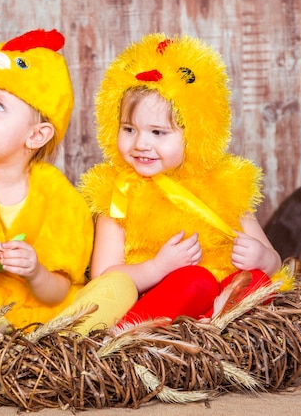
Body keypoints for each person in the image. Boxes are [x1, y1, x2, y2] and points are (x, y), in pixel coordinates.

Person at [0, 29, 137, 334]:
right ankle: (11, 347)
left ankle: (58, 344)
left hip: (50, 316)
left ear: (36, 135)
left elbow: (58, 290)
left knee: (121, 286)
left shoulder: (61, 199)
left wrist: (36, 273)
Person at [79, 33, 288, 325]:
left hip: (218, 306)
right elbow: (103, 279)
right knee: (195, 281)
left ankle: (213, 325)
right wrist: (157, 267)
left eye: (157, 132)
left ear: (195, 135)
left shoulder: (224, 185)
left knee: (256, 280)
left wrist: (262, 257)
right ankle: (131, 334)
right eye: (129, 129)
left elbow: (276, 263)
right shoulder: (118, 193)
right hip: (155, 305)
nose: (140, 143)